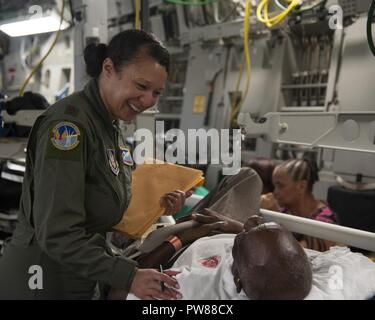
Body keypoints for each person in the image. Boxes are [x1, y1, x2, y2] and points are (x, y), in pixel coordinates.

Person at [0, 29, 192, 300]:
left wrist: (159, 204)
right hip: (41, 281)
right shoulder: (69, 127)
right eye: (141, 86)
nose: (149, 100)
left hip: (79, 275)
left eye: (157, 93)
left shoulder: (109, 126)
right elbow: (57, 234)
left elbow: (99, 201)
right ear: (109, 68)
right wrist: (128, 276)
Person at [263, 158, 340, 251]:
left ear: (301, 187)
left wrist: (275, 218)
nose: (275, 192)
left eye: (280, 186)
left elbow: (294, 253)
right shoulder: (287, 211)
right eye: (275, 186)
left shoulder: (325, 220)